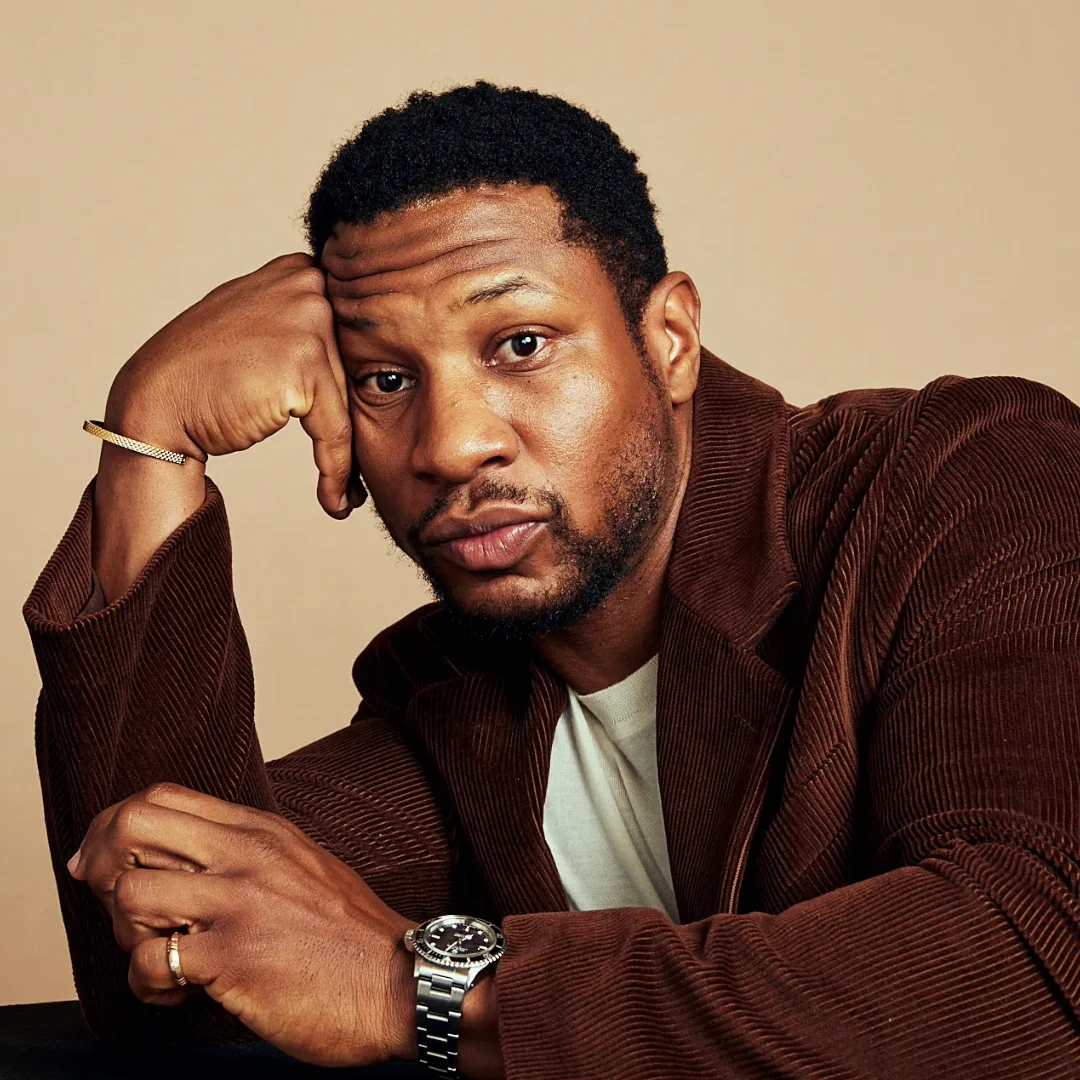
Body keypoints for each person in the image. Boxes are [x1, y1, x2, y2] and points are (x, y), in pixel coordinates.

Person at [23, 81, 1080, 1079]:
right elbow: (172, 968)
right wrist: (152, 442)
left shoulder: (961, 478)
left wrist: (415, 985)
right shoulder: (448, 702)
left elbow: (1026, 964)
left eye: (520, 343)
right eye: (385, 380)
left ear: (670, 339)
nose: (452, 444)